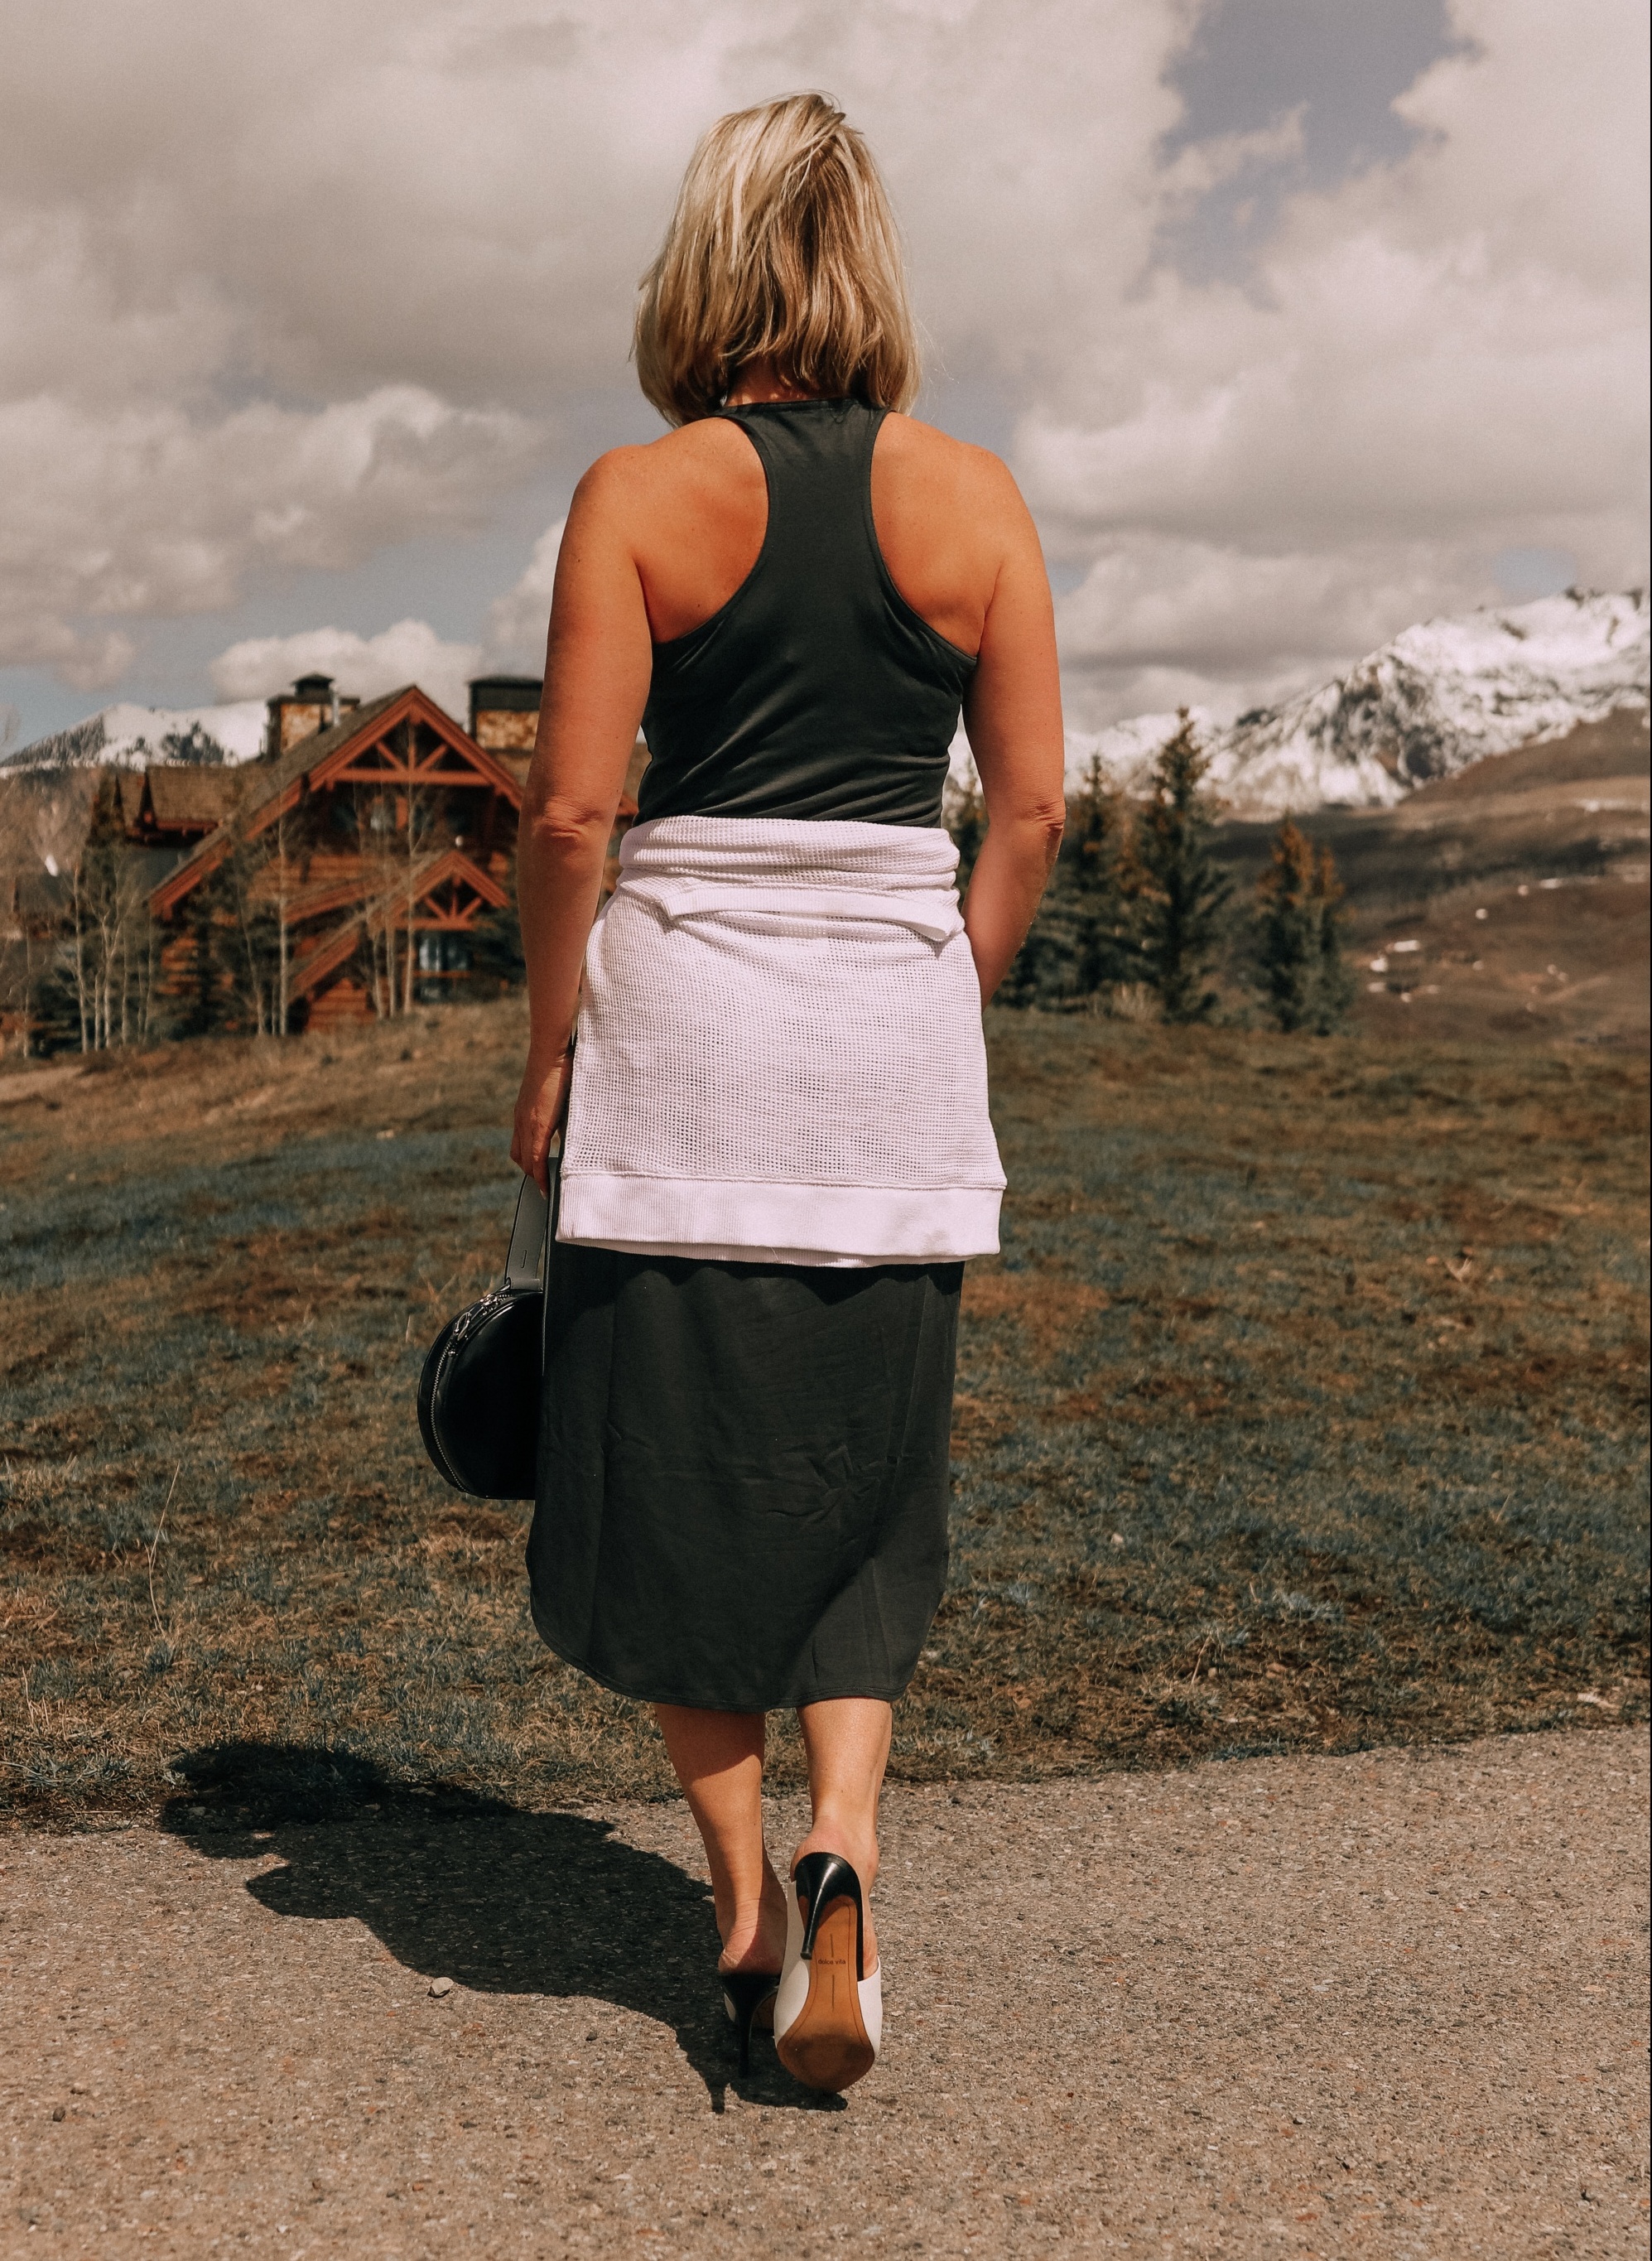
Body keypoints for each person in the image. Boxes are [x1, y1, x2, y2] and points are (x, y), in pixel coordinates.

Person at [511, 90, 1064, 2094]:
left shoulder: (636, 496)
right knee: (862, 1493)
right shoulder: (978, 498)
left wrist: (552, 1037)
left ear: (704, 265)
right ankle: (850, 1847)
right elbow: (1031, 806)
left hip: (689, 1057)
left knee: (668, 1498)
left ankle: (744, 1903)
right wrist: (944, 986)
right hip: (884, 1059)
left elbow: (575, 811)